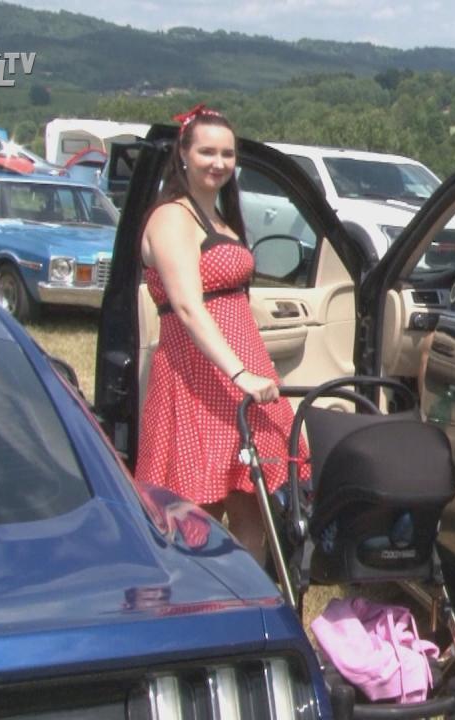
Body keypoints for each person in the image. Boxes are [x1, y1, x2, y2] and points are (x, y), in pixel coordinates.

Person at [135, 104, 304, 566]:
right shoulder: (172, 217)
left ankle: (245, 600)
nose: (219, 162)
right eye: (207, 152)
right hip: (199, 378)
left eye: (227, 154)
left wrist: (249, 372)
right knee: (195, 514)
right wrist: (240, 374)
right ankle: (197, 601)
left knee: (252, 508)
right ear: (183, 154)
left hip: (238, 377)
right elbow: (188, 307)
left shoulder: (221, 219)